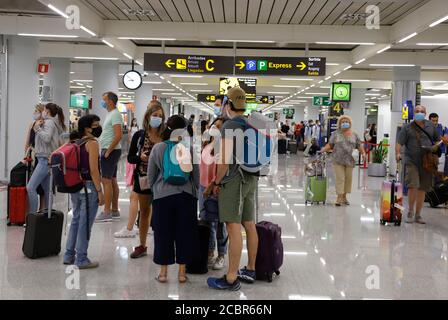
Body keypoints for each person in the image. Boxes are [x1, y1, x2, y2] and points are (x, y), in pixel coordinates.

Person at [206, 87, 258, 291]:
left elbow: (224, 161)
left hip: (234, 181)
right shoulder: (251, 124)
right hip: (251, 179)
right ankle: (251, 269)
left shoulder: (229, 125)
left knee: (232, 226)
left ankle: (230, 277)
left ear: (228, 105)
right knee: (249, 224)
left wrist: (216, 182)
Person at [147, 115, 199, 283]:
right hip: (186, 196)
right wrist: (195, 192)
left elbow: (151, 177)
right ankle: (182, 273)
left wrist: (156, 192)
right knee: (185, 232)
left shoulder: (158, 148)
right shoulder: (190, 148)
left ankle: (163, 273)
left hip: (163, 197)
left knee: (163, 233)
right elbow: (196, 177)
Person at [117, 101, 165, 259]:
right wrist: (140, 157)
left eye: (160, 116)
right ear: (148, 117)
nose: (157, 118)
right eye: (154, 115)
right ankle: (142, 245)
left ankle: (162, 247)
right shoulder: (139, 135)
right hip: (143, 178)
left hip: (163, 180)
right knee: (144, 212)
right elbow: (130, 158)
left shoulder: (166, 135)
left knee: (161, 214)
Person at [63, 114, 104, 269]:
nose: (98, 127)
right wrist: (100, 191)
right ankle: (81, 258)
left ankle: (69, 254)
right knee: (85, 223)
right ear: (87, 128)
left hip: (76, 185)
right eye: (96, 125)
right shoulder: (92, 143)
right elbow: (94, 170)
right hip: (89, 187)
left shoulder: (75, 141)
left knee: (76, 219)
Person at [396, 106, 446, 224]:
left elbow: (438, 140)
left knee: (422, 188)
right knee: (413, 185)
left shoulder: (431, 126)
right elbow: (399, 143)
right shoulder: (407, 128)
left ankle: (418, 214)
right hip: (411, 161)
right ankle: (410, 211)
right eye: (417, 111)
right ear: (413, 113)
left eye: (422, 112)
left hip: (427, 161)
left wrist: (436, 146)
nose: (419, 113)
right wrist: (398, 154)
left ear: (425, 113)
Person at [27, 103, 66, 214]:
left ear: (47, 111)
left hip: (44, 160)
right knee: (47, 190)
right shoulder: (51, 123)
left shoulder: (49, 123)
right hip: (45, 159)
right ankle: (47, 214)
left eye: (43, 109)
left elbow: (47, 138)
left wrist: (37, 128)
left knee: (30, 188)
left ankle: (32, 216)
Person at [199, 117, 227, 270]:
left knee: (220, 222)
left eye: (220, 127)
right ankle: (209, 251)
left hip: (217, 187)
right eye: (214, 126)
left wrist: (214, 184)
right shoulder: (206, 144)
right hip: (203, 187)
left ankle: (221, 254)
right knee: (206, 220)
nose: (216, 129)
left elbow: (224, 169)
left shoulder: (224, 147)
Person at [321, 115, 366, 206]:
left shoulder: (354, 135)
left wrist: (364, 153)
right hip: (338, 159)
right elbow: (330, 144)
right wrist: (323, 149)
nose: (345, 123)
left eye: (347, 122)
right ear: (340, 124)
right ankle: (339, 198)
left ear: (350, 124)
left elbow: (359, 145)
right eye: (343, 122)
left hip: (350, 160)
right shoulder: (336, 134)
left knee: (348, 179)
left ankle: (344, 197)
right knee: (340, 178)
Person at [96, 92, 124, 222]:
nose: (103, 102)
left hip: (110, 150)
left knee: (106, 180)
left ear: (111, 101)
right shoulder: (111, 114)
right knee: (112, 180)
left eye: (104, 99)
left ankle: (107, 212)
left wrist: (108, 151)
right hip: (110, 149)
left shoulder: (116, 115)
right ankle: (114, 210)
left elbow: (118, 135)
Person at [24, 104, 46, 211]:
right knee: (31, 185)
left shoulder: (45, 125)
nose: (35, 113)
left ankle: (41, 210)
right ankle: (32, 213)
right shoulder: (32, 124)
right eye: (35, 110)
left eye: (37, 111)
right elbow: (27, 142)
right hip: (32, 157)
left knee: (42, 187)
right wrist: (25, 155)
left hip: (41, 157)